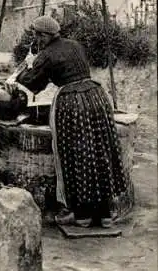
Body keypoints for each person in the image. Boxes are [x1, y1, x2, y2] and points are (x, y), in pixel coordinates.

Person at [10, 15, 128, 228]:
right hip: (96, 96)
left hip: (72, 103)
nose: (36, 39)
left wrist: (25, 69)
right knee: (100, 152)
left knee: (75, 155)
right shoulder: (74, 44)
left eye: (37, 35)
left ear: (45, 35)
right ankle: (105, 214)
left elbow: (34, 84)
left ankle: (81, 215)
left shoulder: (46, 55)